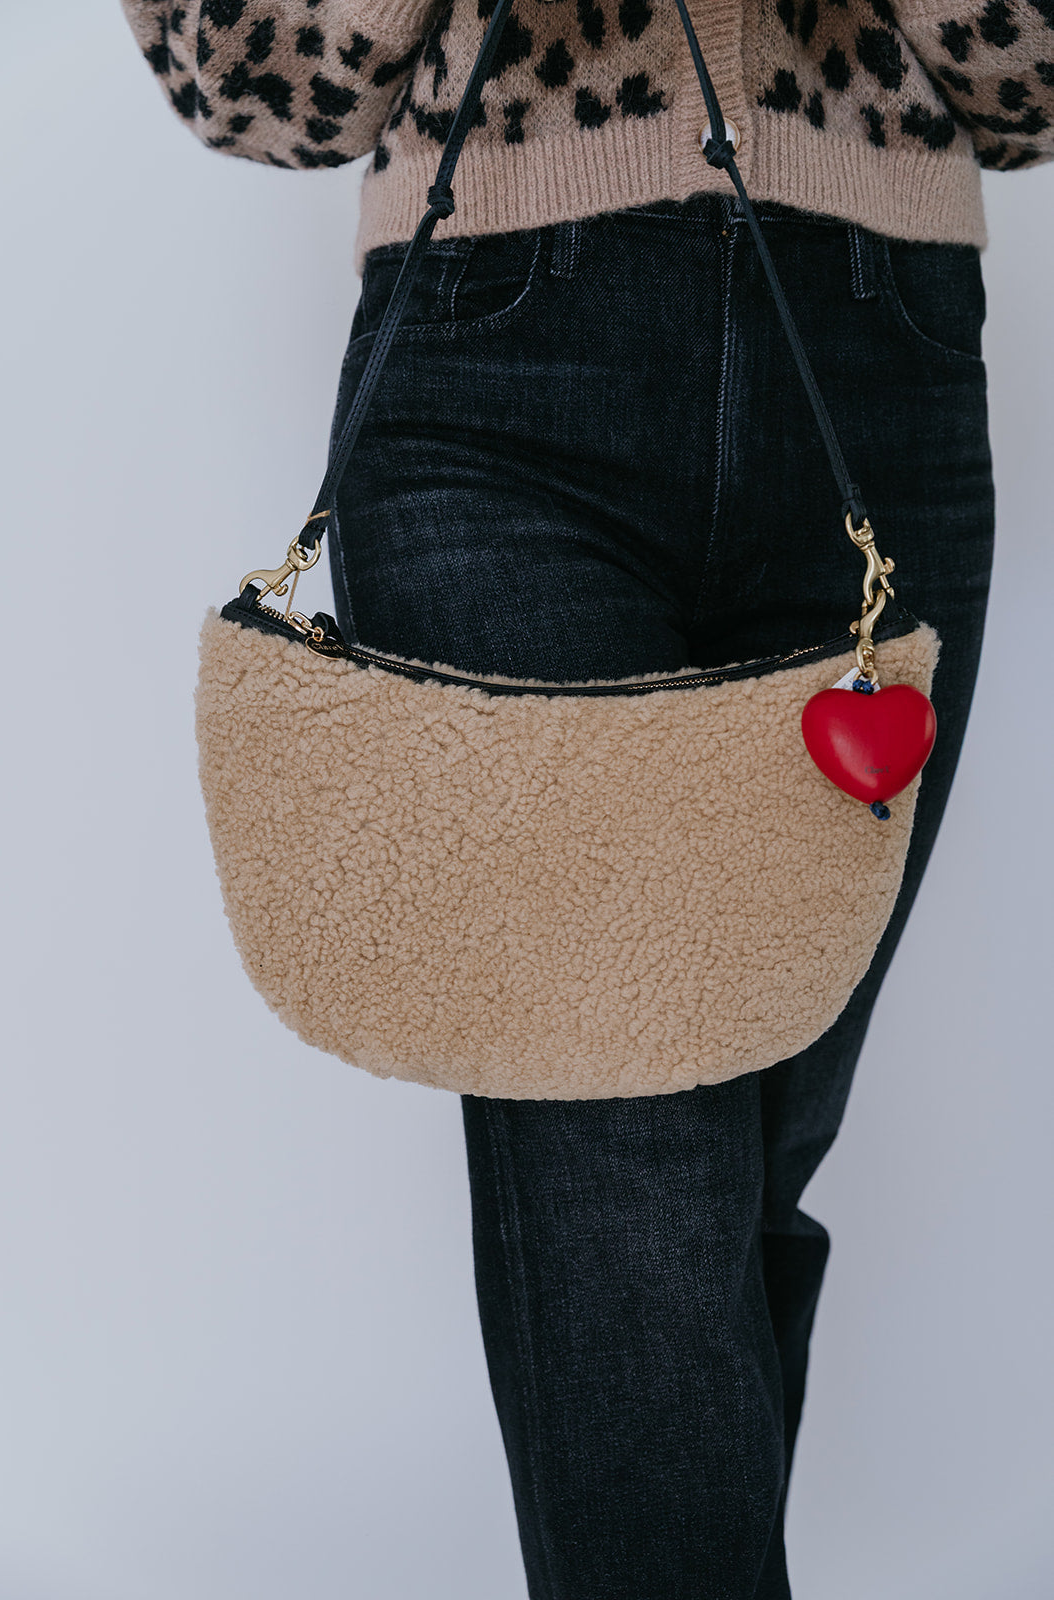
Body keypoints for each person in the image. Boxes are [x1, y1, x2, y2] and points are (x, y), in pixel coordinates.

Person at [121, 1, 1053, 1593]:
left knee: (746, 1156)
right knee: (623, 1169)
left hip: (877, 354)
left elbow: (1029, 86)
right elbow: (246, 78)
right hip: (502, 375)